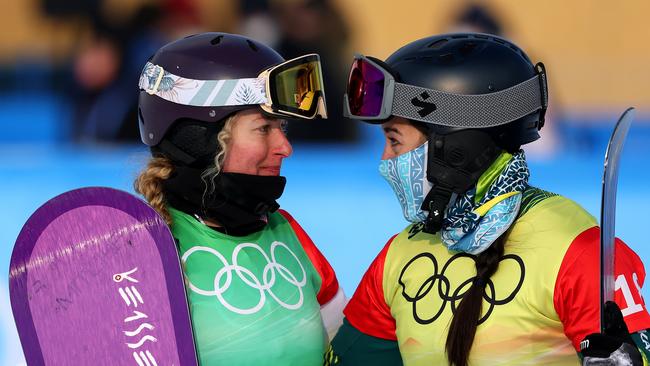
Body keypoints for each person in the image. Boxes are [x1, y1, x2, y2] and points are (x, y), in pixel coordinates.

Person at [326, 33, 650, 365]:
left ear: (455, 150)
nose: (385, 161)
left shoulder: (577, 251)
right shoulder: (398, 257)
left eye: (394, 141)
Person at [133, 32, 345, 365]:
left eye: (282, 128)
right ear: (199, 140)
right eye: (263, 128)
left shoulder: (287, 233)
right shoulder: (140, 257)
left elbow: (344, 353)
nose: (284, 148)